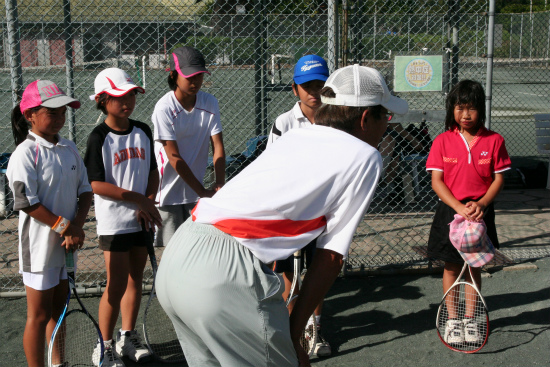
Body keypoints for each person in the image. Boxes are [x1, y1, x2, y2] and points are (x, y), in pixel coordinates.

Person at [155, 64, 409, 367]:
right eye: (387, 117)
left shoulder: (293, 136)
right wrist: (294, 331)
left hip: (178, 256)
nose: (387, 128)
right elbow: (331, 257)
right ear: (366, 118)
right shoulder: (365, 156)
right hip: (221, 273)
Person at [6, 80, 92, 367]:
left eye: (62, 112)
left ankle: (58, 363)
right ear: (30, 114)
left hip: (66, 245)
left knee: (59, 308)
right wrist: (66, 228)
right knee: (39, 315)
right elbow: (26, 202)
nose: (59, 119)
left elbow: (85, 191)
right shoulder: (24, 153)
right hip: (39, 249)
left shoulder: (69, 148)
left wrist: (76, 228)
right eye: (51, 112)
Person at [84, 68, 162, 367]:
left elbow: (153, 172)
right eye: (119, 96)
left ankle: (127, 337)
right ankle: (103, 346)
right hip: (114, 223)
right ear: (102, 100)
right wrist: (137, 199)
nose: (126, 101)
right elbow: (95, 184)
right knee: (115, 285)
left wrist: (148, 201)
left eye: (130, 94)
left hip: (141, 220)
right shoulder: (98, 137)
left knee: (135, 281)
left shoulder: (142, 129)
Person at [425, 80, 511, 344]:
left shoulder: (495, 140)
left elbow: (498, 179)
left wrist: (482, 204)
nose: (466, 114)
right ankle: (453, 320)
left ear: (480, 110)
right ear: (453, 109)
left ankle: (471, 319)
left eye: (471, 108)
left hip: (480, 214)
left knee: (474, 268)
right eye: (460, 108)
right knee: (451, 267)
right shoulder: (442, 141)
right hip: (451, 211)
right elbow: (436, 181)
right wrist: (459, 206)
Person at [267, 54, 332, 357]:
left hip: (322, 214)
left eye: (319, 85)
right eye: (306, 86)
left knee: (317, 271)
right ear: (294, 89)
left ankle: (314, 329)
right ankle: (296, 329)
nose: (313, 92)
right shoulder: (284, 122)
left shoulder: (336, 119)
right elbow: (272, 166)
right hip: (290, 215)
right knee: (289, 275)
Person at [152, 46, 225, 247]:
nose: (195, 81)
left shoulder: (209, 102)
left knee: (197, 250)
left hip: (196, 195)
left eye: (199, 76)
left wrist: (219, 183)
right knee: (172, 254)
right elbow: (174, 158)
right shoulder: (164, 108)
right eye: (189, 76)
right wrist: (202, 191)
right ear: (174, 75)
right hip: (167, 196)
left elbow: (218, 146)